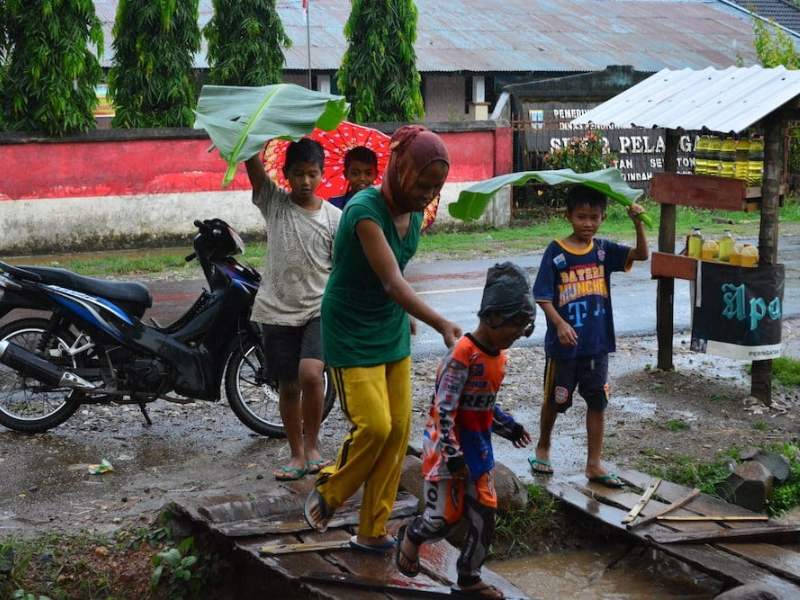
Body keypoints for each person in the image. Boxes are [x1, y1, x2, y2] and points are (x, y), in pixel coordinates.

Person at [304, 125, 462, 553]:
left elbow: (395, 273)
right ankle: (330, 491)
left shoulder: (415, 215)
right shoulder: (363, 210)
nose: (428, 194)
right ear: (399, 169)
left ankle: (372, 530)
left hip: (391, 324)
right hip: (351, 327)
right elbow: (392, 281)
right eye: (422, 183)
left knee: (397, 432)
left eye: (436, 187)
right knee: (374, 425)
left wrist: (407, 314)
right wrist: (439, 322)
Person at [396, 262, 534, 599]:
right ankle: (412, 537)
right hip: (446, 449)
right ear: (491, 318)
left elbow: (485, 405)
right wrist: (453, 454)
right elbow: (444, 409)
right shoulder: (463, 355)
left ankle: (469, 578)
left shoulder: (498, 357)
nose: (517, 334)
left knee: (484, 514)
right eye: (513, 326)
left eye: (523, 328)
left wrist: (508, 427)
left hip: (478, 447)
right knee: (444, 517)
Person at [529, 185, 648, 487]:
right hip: (564, 348)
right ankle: (543, 447)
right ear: (568, 216)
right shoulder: (556, 252)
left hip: (597, 345)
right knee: (555, 399)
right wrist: (559, 323)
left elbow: (642, 255)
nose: (587, 224)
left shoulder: (603, 251)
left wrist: (637, 222)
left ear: (603, 218)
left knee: (598, 402)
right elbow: (542, 295)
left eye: (594, 217)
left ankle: (594, 463)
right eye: (581, 217)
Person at [245, 138, 340, 481]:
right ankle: (297, 454)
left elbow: (344, 268)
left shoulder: (334, 219)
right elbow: (254, 171)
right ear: (285, 174)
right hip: (277, 309)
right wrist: (249, 136)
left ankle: (313, 446)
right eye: (298, 174)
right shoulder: (275, 204)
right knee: (287, 386)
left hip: (318, 308)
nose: (305, 182)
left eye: (312, 174)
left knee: (312, 374)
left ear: (322, 174)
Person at [328, 146, 379, 211]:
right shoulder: (334, 205)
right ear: (346, 174)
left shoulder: (382, 205)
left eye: (368, 173)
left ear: (376, 174)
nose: (362, 178)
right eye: (355, 173)